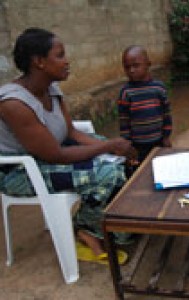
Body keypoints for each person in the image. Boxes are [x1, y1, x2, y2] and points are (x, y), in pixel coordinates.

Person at [0, 28, 138, 265]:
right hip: (20, 171)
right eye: (60, 55)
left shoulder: (52, 88)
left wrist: (115, 148)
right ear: (39, 62)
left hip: (51, 154)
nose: (67, 61)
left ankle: (113, 225)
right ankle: (85, 230)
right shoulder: (14, 103)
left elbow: (71, 132)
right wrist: (106, 148)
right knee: (106, 172)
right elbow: (54, 154)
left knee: (123, 156)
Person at [118, 45, 172, 176]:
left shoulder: (159, 88)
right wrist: (128, 145)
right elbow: (124, 122)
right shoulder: (126, 92)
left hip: (158, 141)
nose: (131, 70)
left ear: (148, 64)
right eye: (127, 67)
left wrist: (166, 136)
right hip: (138, 146)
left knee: (161, 171)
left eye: (136, 65)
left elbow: (166, 114)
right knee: (141, 174)